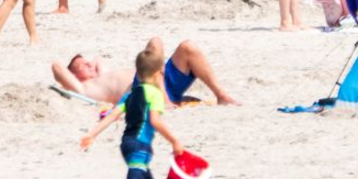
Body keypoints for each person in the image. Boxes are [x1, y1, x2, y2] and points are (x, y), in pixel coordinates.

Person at [79, 48, 183, 179]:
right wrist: (174, 141)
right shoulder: (154, 94)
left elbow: (112, 115)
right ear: (157, 73)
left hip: (127, 143)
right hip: (139, 146)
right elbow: (155, 121)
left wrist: (92, 134)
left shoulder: (131, 93)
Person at [52, 36, 239, 105]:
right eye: (82, 67)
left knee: (186, 46)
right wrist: (77, 74)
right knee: (155, 44)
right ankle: (163, 97)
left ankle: (221, 95)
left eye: (87, 62)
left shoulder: (104, 73)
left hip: (159, 80)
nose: (89, 65)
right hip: (143, 92)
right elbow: (57, 67)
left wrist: (93, 66)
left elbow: (99, 60)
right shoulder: (84, 88)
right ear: (75, 77)